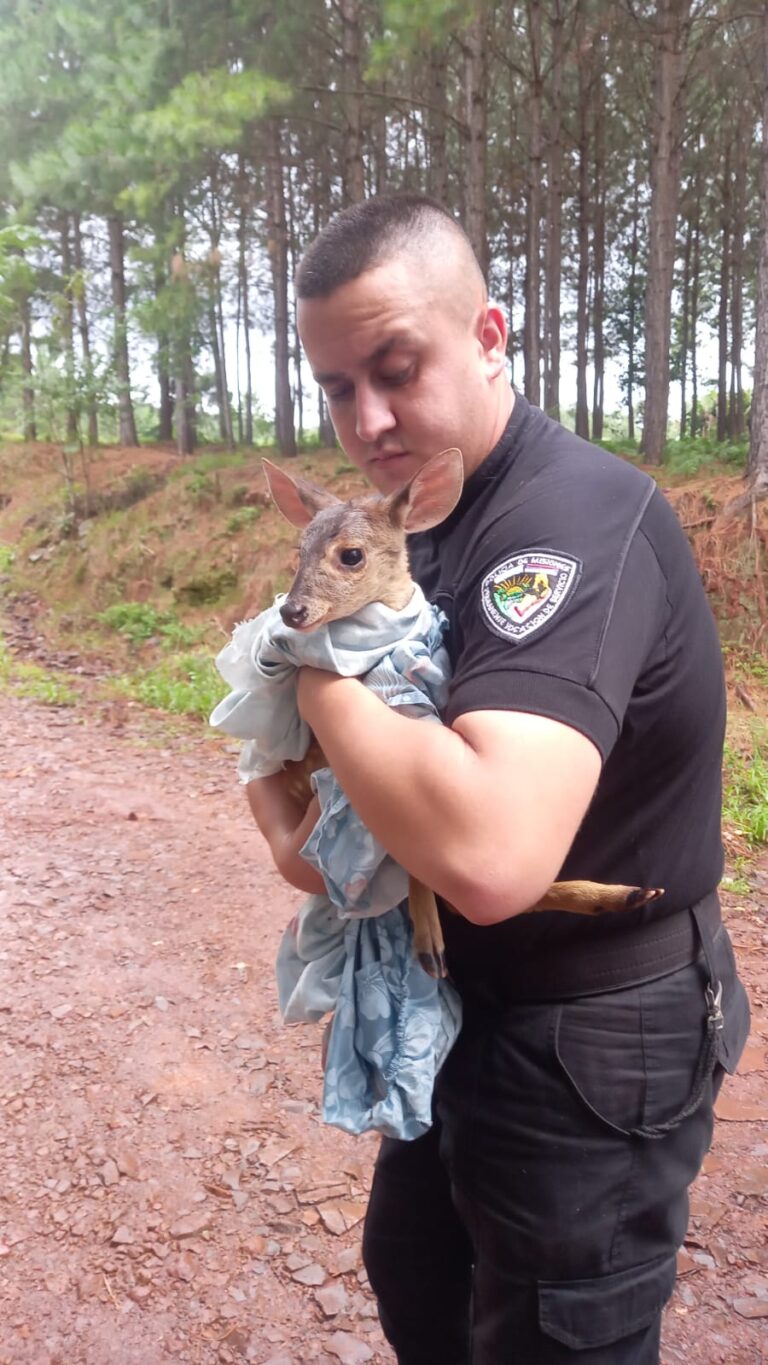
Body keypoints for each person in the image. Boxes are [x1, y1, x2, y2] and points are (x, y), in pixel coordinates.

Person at [246, 193, 750, 1365]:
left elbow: (484, 853)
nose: (367, 419)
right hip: (456, 1001)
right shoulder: (415, 516)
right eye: (336, 386)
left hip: (590, 1029)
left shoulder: (568, 518)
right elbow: (322, 835)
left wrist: (312, 671)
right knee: (418, 1276)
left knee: (544, 1335)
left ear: (488, 336)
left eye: (397, 367)